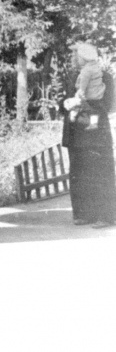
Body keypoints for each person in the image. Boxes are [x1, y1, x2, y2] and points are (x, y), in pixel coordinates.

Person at [62, 42, 116, 228]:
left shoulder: (105, 77)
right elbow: (65, 102)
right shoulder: (75, 77)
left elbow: (107, 105)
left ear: (83, 56)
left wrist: (81, 104)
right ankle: (83, 214)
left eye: (74, 55)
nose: (72, 58)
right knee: (79, 173)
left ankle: (105, 216)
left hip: (96, 133)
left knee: (100, 173)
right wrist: (68, 103)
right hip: (77, 131)